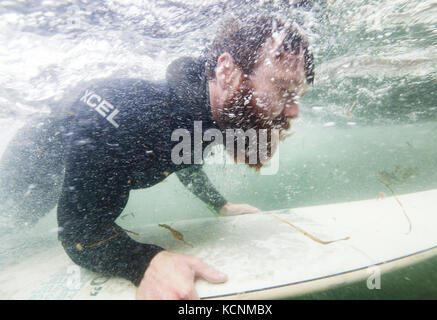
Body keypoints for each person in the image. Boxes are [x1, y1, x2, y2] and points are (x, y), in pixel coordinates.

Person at [0, 14, 314, 300]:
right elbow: (81, 231)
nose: (293, 110)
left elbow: (184, 159)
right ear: (227, 70)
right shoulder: (129, 112)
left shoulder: (209, 118)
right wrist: (144, 262)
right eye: (283, 89)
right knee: (10, 220)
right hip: (32, 163)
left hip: (68, 160)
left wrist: (221, 205)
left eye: (296, 95)